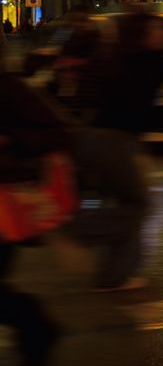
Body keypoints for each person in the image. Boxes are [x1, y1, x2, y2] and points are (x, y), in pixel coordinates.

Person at [74, 9, 163, 291]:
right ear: (143, 36)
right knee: (138, 205)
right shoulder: (143, 64)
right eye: (158, 30)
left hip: (101, 141)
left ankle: (116, 275)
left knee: (125, 204)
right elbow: (136, 113)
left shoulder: (115, 58)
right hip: (113, 143)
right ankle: (77, 231)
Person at [0, 69, 70, 365]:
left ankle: (35, 326)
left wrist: (10, 141)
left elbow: (54, 131)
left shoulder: (6, 85)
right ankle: (35, 326)